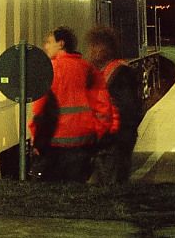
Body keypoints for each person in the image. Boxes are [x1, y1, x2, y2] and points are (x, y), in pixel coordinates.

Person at [29, 26, 113, 182]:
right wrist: (96, 135)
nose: (45, 46)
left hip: (54, 145)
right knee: (77, 190)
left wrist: (37, 140)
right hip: (83, 143)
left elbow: (39, 110)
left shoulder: (48, 70)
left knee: (54, 191)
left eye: (49, 42)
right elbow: (103, 108)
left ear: (61, 44)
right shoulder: (88, 69)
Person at [86, 26, 143, 185]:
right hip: (110, 141)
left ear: (102, 49)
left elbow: (127, 110)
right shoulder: (110, 72)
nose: (90, 51)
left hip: (114, 142)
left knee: (112, 183)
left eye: (93, 47)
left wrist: (110, 137)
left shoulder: (120, 74)